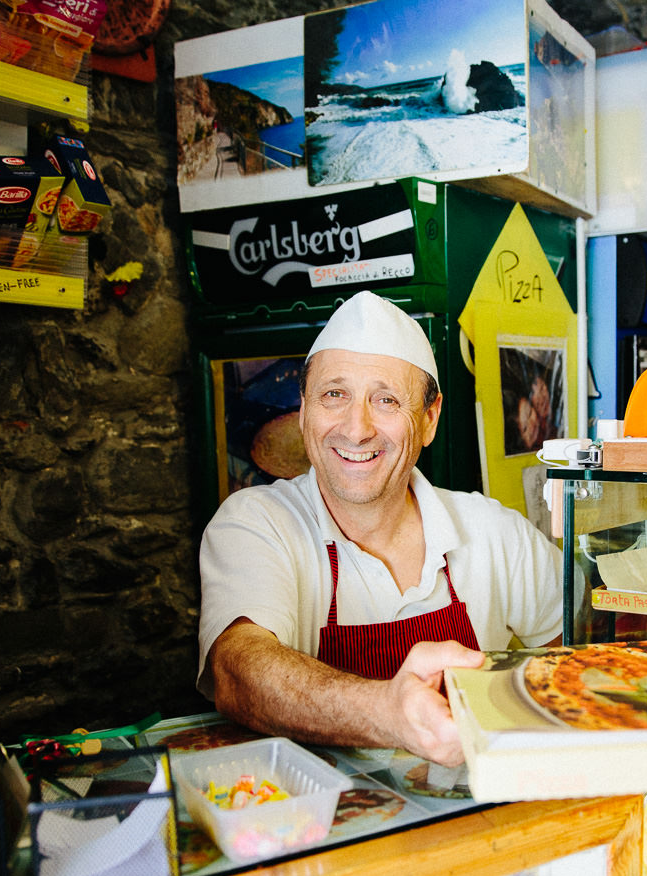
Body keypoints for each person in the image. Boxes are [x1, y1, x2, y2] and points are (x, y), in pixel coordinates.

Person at [198, 291, 564, 766]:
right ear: (304, 409)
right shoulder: (257, 524)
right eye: (335, 395)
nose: (356, 428)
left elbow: (582, 656)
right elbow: (237, 671)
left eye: (386, 400)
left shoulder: (495, 533)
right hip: (324, 824)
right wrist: (388, 712)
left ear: (429, 420)